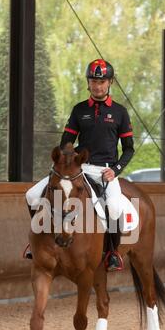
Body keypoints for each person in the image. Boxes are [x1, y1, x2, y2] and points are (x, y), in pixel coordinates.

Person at [24, 58, 135, 271]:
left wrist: (116, 170)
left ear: (110, 82)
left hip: (105, 171)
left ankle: (112, 253)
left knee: (113, 209)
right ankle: (35, 242)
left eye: (102, 81)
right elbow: (66, 142)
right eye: (93, 81)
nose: (97, 85)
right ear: (88, 82)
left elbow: (129, 148)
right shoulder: (79, 110)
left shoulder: (120, 112)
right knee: (31, 195)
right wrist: (69, 159)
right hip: (79, 169)